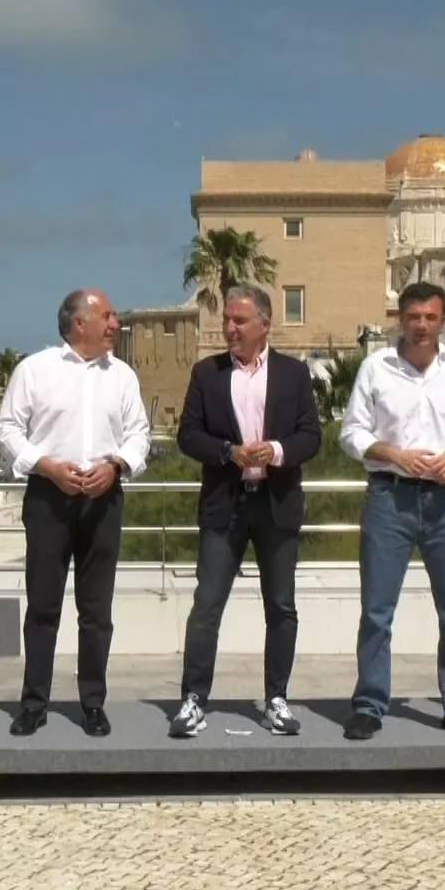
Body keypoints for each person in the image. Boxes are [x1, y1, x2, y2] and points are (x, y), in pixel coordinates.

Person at [338, 281, 445, 741]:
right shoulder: (375, 367)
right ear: (400, 319)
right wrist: (394, 454)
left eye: (430, 317)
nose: (422, 326)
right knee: (377, 611)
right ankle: (369, 704)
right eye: (413, 317)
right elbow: (352, 433)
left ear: (442, 321)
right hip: (390, 497)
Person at [0, 288, 150, 738]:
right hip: (48, 498)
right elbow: (6, 428)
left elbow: (139, 434)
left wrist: (116, 466)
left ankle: (93, 704)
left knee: (96, 610)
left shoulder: (122, 376)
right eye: (108, 315)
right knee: (42, 606)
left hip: (104, 498)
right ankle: (34, 703)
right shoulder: (34, 370)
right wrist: (45, 466)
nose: (116, 324)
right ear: (79, 323)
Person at [169, 284, 322, 738]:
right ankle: (193, 699)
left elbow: (310, 436)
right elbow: (187, 435)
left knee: (281, 607)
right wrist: (228, 452)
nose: (228, 328)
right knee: (207, 606)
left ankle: (276, 698)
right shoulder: (206, 373)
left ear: (264, 324)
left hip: (276, 505)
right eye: (227, 320)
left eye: (238, 321)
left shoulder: (294, 375)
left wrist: (274, 450)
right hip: (224, 506)